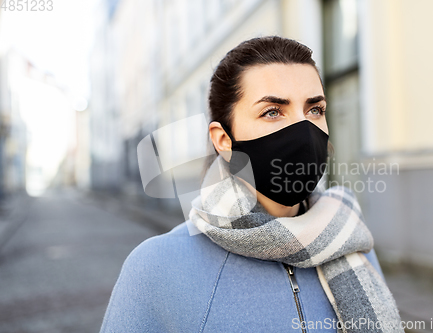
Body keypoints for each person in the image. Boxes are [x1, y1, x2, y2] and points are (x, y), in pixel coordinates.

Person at [99, 36, 403, 333]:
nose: (304, 131)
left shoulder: (349, 238)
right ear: (224, 140)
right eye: (272, 112)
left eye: (315, 110)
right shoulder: (156, 268)